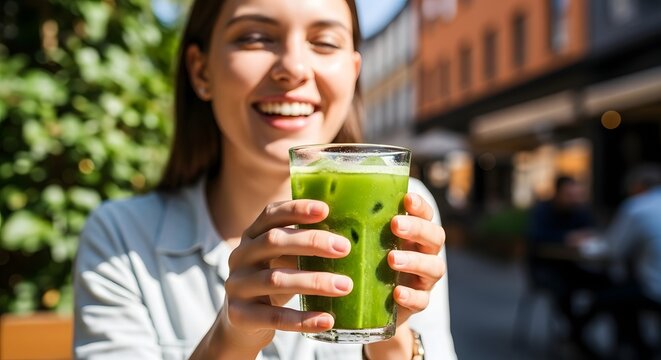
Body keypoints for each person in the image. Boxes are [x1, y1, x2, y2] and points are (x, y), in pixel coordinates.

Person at [73, 0, 457, 359]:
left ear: (353, 74)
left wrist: (393, 344)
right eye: (255, 37)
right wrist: (229, 340)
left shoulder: (406, 206)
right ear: (201, 70)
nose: (293, 68)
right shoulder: (120, 237)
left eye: (324, 42)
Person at [526, 176, 605, 349]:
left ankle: (577, 331)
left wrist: (587, 237)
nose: (573, 198)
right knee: (563, 290)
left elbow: (591, 231)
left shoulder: (580, 210)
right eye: (569, 194)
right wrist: (566, 237)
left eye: (576, 194)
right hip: (546, 268)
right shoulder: (543, 210)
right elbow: (535, 237)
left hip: (572, 266)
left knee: (609, 285)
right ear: (558, 193)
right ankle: (577, 336)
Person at [597, 164, 661, 357]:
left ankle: (640, 350)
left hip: (655, 289)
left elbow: (613, 251)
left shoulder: (637, 207)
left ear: (638, 186)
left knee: (608, 297)